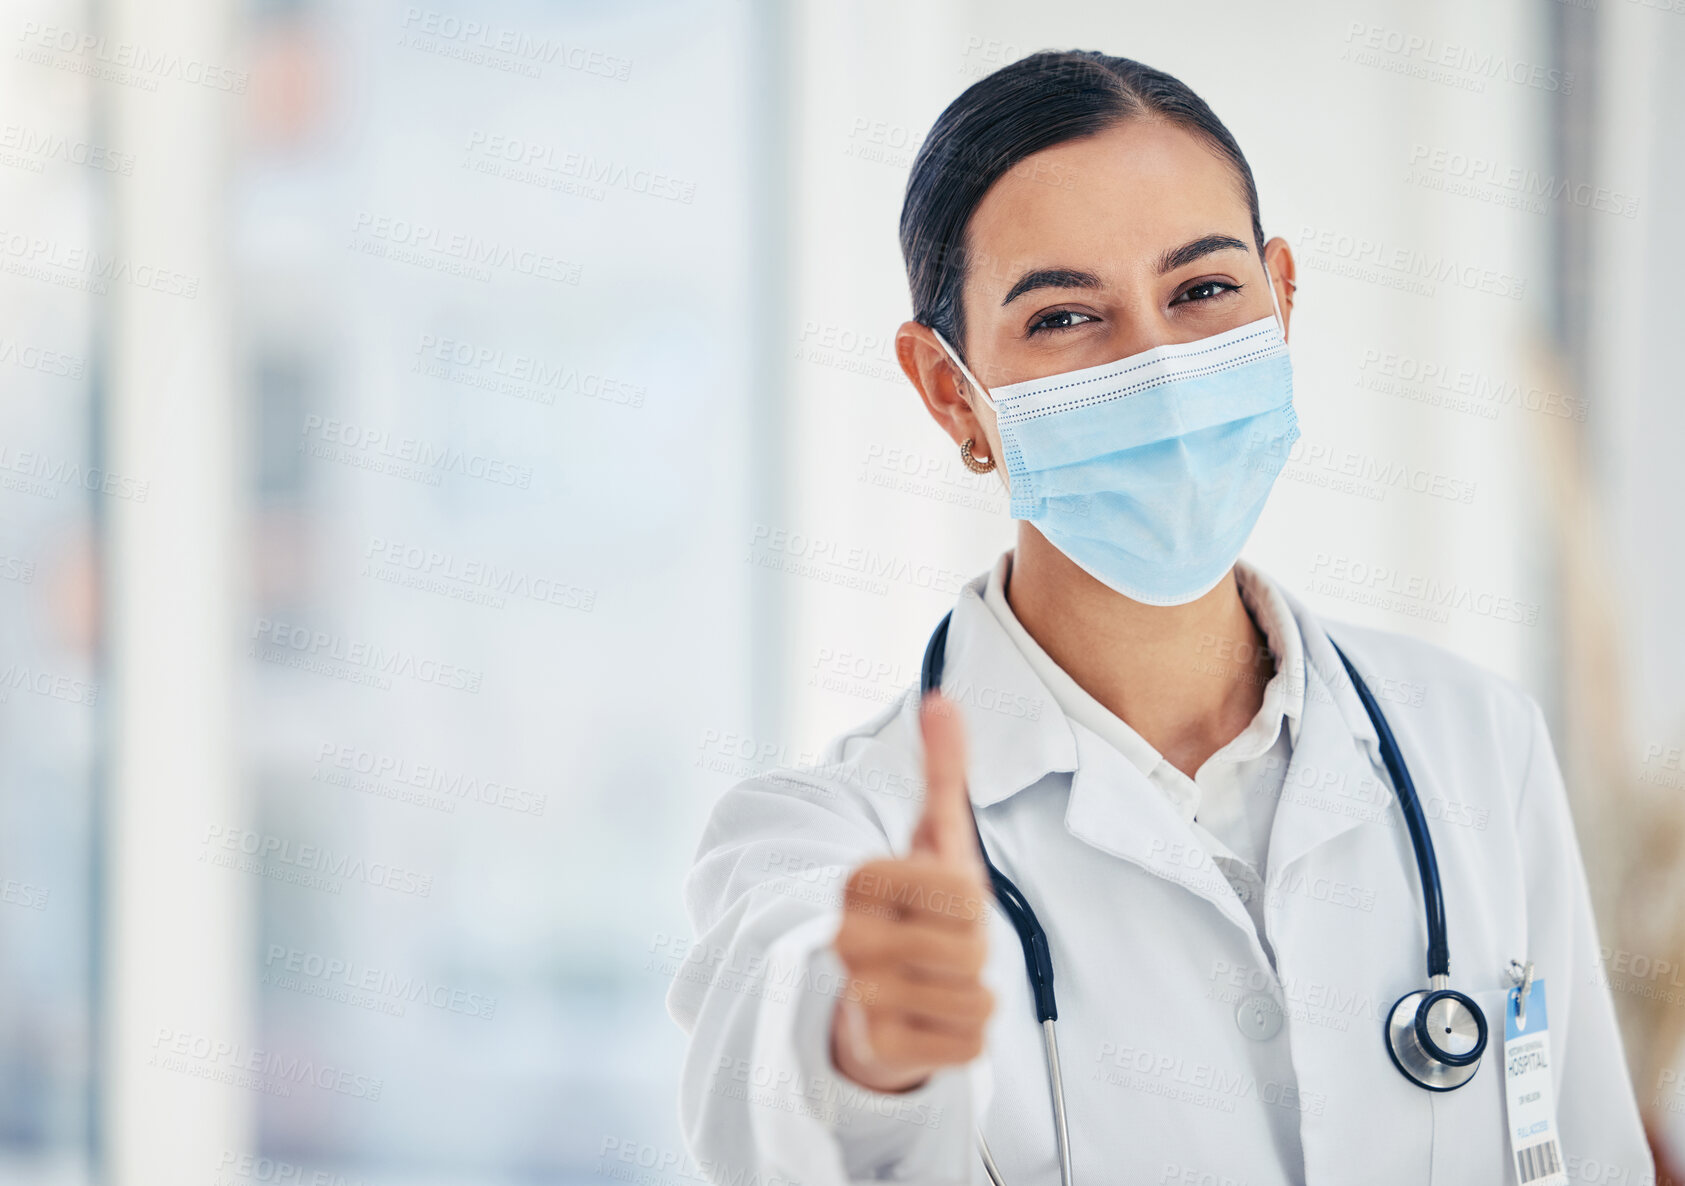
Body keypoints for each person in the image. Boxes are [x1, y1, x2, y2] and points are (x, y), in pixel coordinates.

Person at [667, 50, 1651, 1185]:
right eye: (1064, 315)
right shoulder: (838, 842)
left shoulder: (1475, 741)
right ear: (949, 391)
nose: (1158, 367)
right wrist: (862, 1044)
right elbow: (773, 1080)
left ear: (1280, 299)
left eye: (1200, 292)